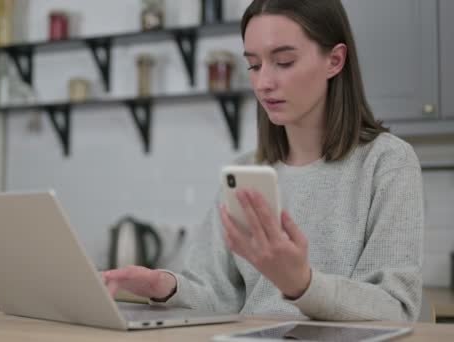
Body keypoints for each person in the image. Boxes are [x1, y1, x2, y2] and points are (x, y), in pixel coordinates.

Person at [102, 0, 423, 322]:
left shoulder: (387, 163)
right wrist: (165, 286)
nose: (263, 83)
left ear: (335, 60)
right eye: (254, 65)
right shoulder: (246, 171)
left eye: (284, 61)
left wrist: (302, 284)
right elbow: (217, 296)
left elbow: (396, 308)